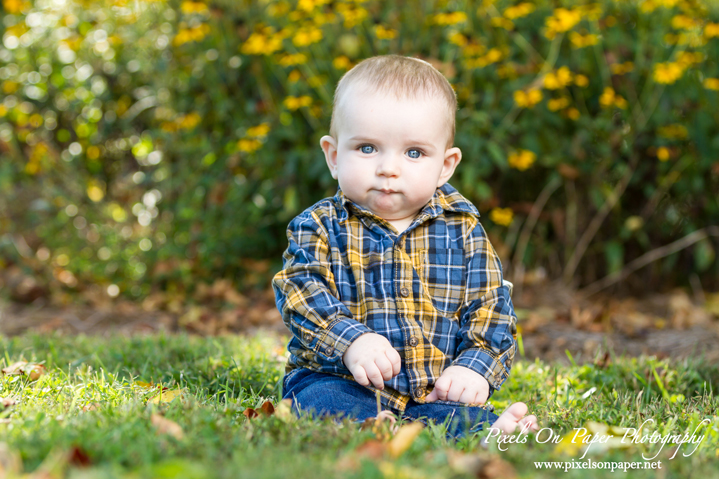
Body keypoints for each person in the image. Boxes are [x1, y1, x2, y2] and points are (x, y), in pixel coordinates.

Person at [272, 54, 538, 437]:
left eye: (414, 153)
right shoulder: (319, 226)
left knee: (456, 416)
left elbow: (491, 309)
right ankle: (369, 426)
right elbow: (301, 293)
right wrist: (352, 340)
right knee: (324, 404)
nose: (388, 168)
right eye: (367, 148)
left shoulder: (462, 229)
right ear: (333, 156)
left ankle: (488, 431)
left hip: (433, 390)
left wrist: (474, 367)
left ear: (445, 165)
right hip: (340, 379)